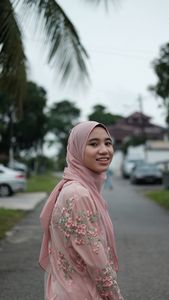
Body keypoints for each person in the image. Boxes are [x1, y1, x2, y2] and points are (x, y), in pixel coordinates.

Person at [39, 121, 124, 300]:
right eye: (93, 144)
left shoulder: (74, 188)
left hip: (64, 289)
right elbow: (97, 262)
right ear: (76, 149)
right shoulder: (78, 194)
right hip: (83, 293)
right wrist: (115, 297)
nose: (104, 150)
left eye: (108, 143)